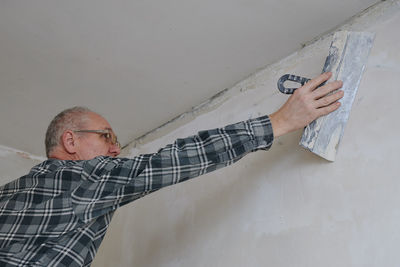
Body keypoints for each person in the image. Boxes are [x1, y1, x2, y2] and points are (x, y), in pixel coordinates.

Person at [0, 72, 343, 266]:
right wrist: (279, 122)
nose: (116, 149)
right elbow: (169, 162)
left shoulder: (10, 193)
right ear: (71, 142)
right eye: (107, 137)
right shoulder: (77, 178)